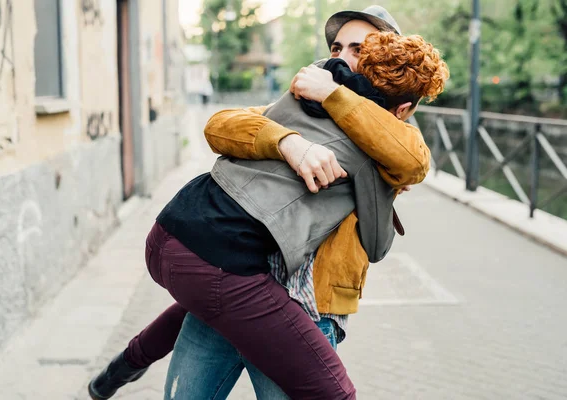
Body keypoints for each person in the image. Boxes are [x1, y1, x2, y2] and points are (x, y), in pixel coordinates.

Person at [88, 6, 449, 400]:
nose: (340, 57)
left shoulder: (391, 134)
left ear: (386, 65)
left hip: (310, 305)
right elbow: (221, 124)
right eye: (335, 46)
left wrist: (333, 94)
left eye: (358, 50)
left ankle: (128, 362)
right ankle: (128, 363)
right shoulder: (301, 104)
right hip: (247, 271)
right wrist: (287, 142)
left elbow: (412, 161)